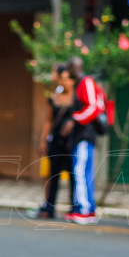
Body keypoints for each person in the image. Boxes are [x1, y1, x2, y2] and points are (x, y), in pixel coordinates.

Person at [28, 65, 75, 219]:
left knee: (73, 176)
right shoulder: (54, 98)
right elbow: (48, 121)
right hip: (56, 142)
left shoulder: (78, 99)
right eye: (64, 78)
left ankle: (73, 208)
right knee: (53, 176)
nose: (67, 82)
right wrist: (43, 140)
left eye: (70, 79)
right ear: (60, 80)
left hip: (72, 143)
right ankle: (49, 208)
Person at [62, 57, 105, 224]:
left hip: (84, 135)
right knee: (83, 171)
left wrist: (75, 120)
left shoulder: (86, 82)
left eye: (68, 68)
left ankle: (84, 210)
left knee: (80, 170)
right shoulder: (82, 83)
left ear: (74, 68)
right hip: (82, 135)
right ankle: (87, 208)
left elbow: (94, 107)